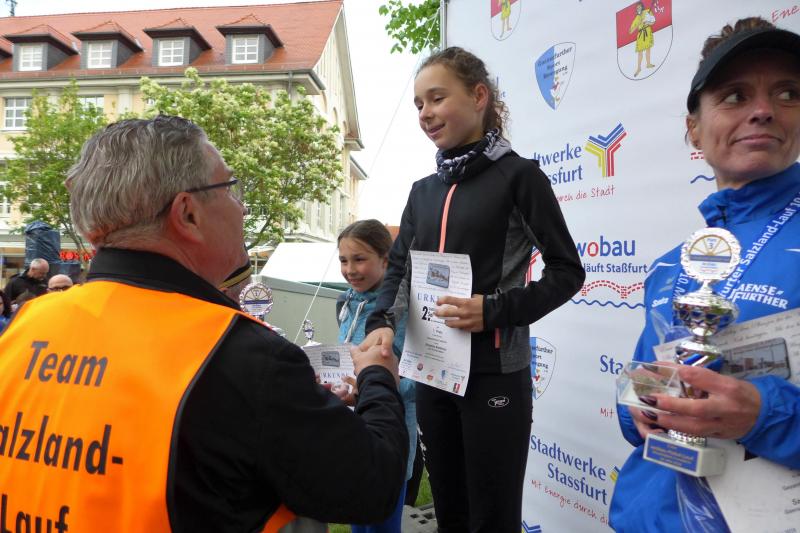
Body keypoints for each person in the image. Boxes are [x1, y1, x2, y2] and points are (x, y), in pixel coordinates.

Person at [0, 116, 408, 532]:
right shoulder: (241, 355)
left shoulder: (23, 327)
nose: (242, 207)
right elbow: (374, 484)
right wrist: (377, 376)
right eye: (231, 189)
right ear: (188, 214)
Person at [359, 47, 585, 532]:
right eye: (419, 103)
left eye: (437, 98)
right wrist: (381, 322)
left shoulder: (519, 177)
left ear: (479, 97)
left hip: (493, 374)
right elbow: (398, 268)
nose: (425, 113)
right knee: (451, 514)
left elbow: (568, 271)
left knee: (492, 519)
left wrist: (494, 310)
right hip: (433, 371)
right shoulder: (422, 190)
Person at [610, 18, 800, 532]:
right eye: (735, 96)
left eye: (787, 93)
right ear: (694, 128)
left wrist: (765, 414)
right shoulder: (675, 263)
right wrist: (639, 406)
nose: (763, 109)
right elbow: (639, 384)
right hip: (645, 519)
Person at [336, 219, 416, 533]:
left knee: (382, 526)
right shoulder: (346, 302)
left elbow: (420, 381)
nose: (350, 270)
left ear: (386, 260)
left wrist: (372, 387)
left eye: (359, 259)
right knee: (359, 521)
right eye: (343, 260)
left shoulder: (404, 312)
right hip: (353, 436)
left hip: (391, 440)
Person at [629, 1, 656, 77]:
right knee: (640, 52)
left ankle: (648, 64)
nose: (638, 9)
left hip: (647, 32)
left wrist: (648, 23)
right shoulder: (637, 18)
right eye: (637, 8)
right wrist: (637, 24)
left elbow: (653, 21)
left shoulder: (647, 12)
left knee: (648, 49)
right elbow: (630, 31)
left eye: (639, 7)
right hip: (640, 35)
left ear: (642, 7)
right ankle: (639, 68)